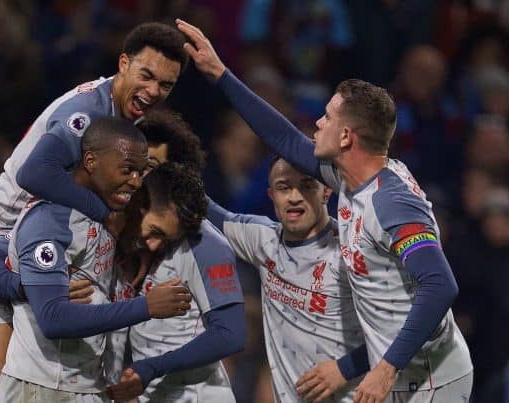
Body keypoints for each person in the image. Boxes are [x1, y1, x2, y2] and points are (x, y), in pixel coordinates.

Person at [176, 19, 473, 403]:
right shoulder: (351, 176)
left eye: (328, 117)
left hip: (432, 379)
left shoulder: (391, 204)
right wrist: (220, 74)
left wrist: (386, 368)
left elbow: (440, 286)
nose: (318, 122)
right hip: (399, 372)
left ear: (347, 136)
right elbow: (282, 137)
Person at [0, 22, 189, 403]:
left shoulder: (124, 114)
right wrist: (103, 212)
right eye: (147, 75)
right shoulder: (86, 111)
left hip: (40, 236)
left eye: (166, 85)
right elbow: (35, 172)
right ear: (123, 63)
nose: (154, 90)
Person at [0, 118, 195, 402]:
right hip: (42, 387)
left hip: (86, 388)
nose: (136, 181)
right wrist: (146, 307)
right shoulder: (52, 218)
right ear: (91, 161)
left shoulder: (105, 219)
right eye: (128, 170)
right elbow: (51, 318)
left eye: (141, 171)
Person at [205, 156, 366, 402]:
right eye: (284, 187)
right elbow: (202, 207)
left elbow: (395, 331)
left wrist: (345, 368)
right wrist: (163, 163)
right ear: (272, 195)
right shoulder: (262, 240)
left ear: (326, 193)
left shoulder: (351, 253)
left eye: (307, 186)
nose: (294, 196)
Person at [109, 163, 246, 403]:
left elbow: (230, 334)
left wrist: (152, 368)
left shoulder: (206, 244)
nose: (153, 244)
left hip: (198, 395)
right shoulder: (123, 240)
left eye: (162, 236)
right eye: (155, 231)